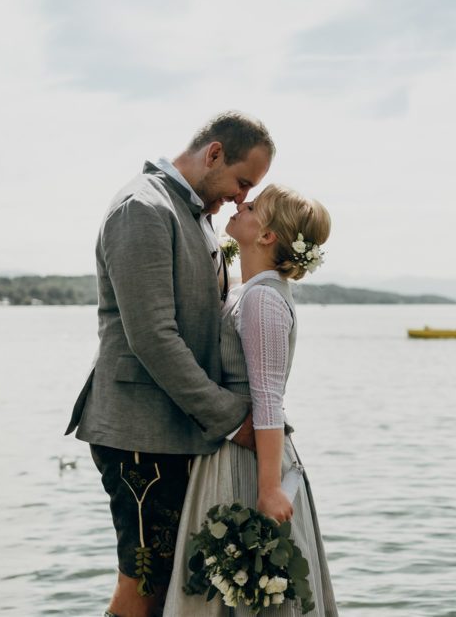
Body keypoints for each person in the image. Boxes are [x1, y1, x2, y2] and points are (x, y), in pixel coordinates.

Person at [65, 111, 274, 617]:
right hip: (139, 439)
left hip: (175, 434)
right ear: (215, 152)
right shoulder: (142, 208)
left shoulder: (193, 214)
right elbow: (153, 338)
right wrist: (232, 419)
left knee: (173, 590)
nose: (241, 198)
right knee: (143, 587)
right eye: (241, 182)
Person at [165, 185, 337, 616]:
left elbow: (267, 399)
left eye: (254, 206)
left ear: (267, 236)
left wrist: (268, 489)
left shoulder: (263, 299)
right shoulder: (250, 290)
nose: (241, 204)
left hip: (249, 460)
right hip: (230, 448)